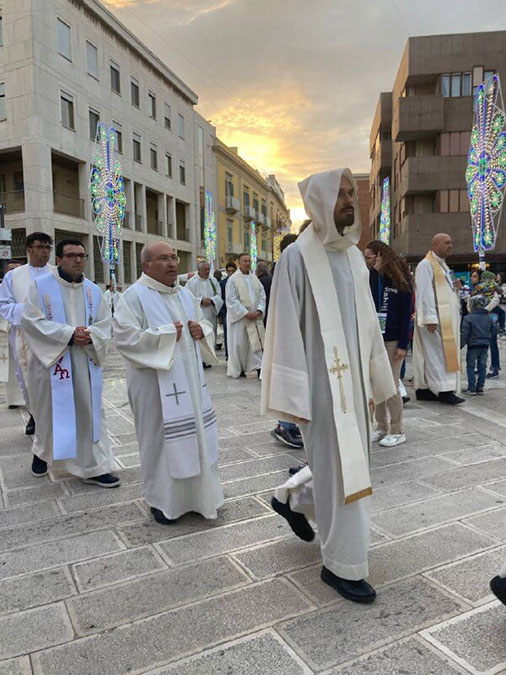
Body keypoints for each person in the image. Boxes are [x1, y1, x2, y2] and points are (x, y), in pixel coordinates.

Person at [261, 168, 396, 604]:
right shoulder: (297, 258)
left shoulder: (354, 257)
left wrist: (378, 378)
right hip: (321, 386)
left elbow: (367, 326)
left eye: (351, 193)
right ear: (318, 200)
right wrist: (292, 397)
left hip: (352, 383)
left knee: (350, 466)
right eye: (339, 194)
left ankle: (292, 496)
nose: (348, 201)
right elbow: (282, 326)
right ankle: (342, 565)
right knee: (342, 471)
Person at [113, 241, 223, 524]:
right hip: (153, 386)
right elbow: (124, 338)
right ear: (146, 265)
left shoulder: (185, 294)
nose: (172, 263)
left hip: (190, 382)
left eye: (173, 257)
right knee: (159, 442)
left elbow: (202, 323)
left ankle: (201, 496)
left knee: (197, 435)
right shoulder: (134, 296)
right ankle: (164, 502)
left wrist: (203, 330)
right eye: (163, 258)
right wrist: (163, 335)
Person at [22, 239, 119, 486]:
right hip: (51, 362)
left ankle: (93, 466)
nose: (78, 260)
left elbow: (105, 323)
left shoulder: (93, 291)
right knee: (48, 411)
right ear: (60, 260)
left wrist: (91, 335)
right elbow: (32, 322)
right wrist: (67, 334)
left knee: (88, 412)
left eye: (82, 255)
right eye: (72, 255)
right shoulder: (40, 287)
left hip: (85, 360)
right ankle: (42, 452)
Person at [0, 233, 55, 434]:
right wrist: (30, 313)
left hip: (52, 335)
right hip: (25, 334)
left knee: (52, 378)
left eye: (48, 247)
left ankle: (51, 416)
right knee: (27, 377)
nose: (45, 251)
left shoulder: (57, 273)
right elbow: (4, 305)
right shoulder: (13, 276)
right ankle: (34, 414)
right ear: (29, 249)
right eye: (41, 247)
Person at [365, 240, 413, 447]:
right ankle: (381, 426)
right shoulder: (372, 277)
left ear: (381, 256)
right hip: (375, 338)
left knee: (391, 385)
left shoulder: (400, 280)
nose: (366, 261)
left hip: (393, 340)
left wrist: (403, 344)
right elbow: (368, 301)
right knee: (377, 385)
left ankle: (397, 429)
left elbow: (405, 316)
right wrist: (374, 272)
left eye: (369, 257)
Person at [413, 233, 464, 405]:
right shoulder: (426, 265)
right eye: (447, 242)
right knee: (437, 356)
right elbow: (424, 292)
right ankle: (444, 391)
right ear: (435, 244)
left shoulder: (443, 266)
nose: (451, 245)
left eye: (451, 242)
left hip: (444, 321)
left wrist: (455, 288)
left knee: (435, 355)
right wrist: (429, 317)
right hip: (434, 321)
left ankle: (424, 389)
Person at [271, 233, 304, 451]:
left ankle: (292, 424)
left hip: (296, 331)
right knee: (288, 381)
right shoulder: (286, 264)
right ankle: (284, 426)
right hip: (288, 333)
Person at [226, 252, 266, 378]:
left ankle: (259, 367)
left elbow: (262, 295)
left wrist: (259, 310)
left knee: (257, 343)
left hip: (255, 318)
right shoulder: (233, 280)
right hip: (240, 319)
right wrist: (245, 313)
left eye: (249, 261)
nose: (247, 263)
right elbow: (231, 299)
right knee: (239, 344)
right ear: (239, 262)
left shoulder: (254, 278)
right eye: (245, 261)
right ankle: (239, 369)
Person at [186, 260, 223, 367]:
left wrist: (212, 300)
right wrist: (200, 300)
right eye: (205, 269)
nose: (207, 272)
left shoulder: (213, 281)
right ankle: (200, 360)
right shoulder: (191, 282)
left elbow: (219, 295)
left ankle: (208, 359)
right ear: (199, 270)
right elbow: (188, 298)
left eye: (208, 269)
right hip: (198, 315)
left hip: (210, 314)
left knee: (210, 335)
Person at [0, 260, 24, 408]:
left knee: (25, 366)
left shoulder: (27, 288)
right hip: (4, 332)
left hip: (23, 332)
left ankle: (28, 398)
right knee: (9, 368)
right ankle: (13, 400)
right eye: (11, 270)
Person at [461, 294, 494, 395]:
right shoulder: (489, 318)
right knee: (482, 366)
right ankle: (480, 387)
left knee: (470, 366)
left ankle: (471, 387)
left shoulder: (468, 318)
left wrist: (460, 345)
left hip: (472, 346)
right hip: (485, 345)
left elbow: (464, 334)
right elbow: (494, 330)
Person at [219, 261, 237, 360]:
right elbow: (221, 298)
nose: (230, 273)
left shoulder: (237, 281)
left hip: (236, 312)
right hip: (226, 312)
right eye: (229, 271)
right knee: (227, 334)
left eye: (232, 271)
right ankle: (228, 355)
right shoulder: (222, 283)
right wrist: (220, 315)